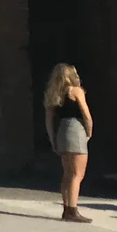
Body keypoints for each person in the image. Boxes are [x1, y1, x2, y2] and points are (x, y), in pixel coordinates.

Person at [44, 63, 93, 223]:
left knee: (67, 173)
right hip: (75, 129)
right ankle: (73, 209)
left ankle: (66, 208)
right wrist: (89, 132)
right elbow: (86, 114)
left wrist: (53, 139)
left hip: (61, 131)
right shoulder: (76, 91)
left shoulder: (54, 94)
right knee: (77, 174)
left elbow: (49, 120)